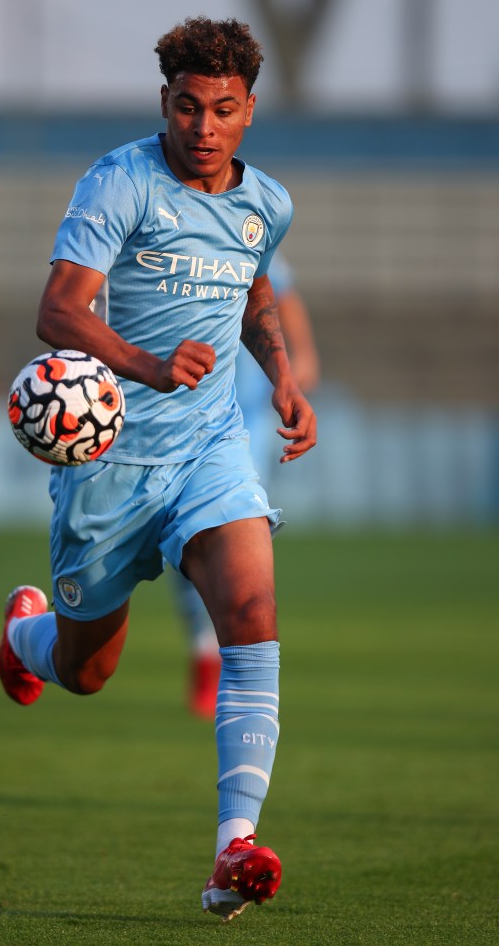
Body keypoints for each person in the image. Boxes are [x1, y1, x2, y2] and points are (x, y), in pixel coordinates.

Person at [0, 16, 316, 922]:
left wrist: (284, 380)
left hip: (210, 448)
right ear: (164, 103)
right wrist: (144, 364)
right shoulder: (120, 181)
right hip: (108, 463)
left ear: (248, 110)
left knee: (252, 612)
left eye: (222, 109)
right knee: (86, 669)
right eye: (186, 107)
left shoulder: (269, 203)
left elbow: (254, 290)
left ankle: (233, 852)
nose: (202, 127)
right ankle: (24, 639)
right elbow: (58, 312)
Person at [179, 255, 320, 718]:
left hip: (248, 417)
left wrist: (301, 358)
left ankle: (232, 661)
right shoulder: (172, 233)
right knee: (185, 542)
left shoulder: (247, 227)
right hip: (182, 412)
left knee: (237, 530)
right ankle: (205, 647)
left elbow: (279, 294)